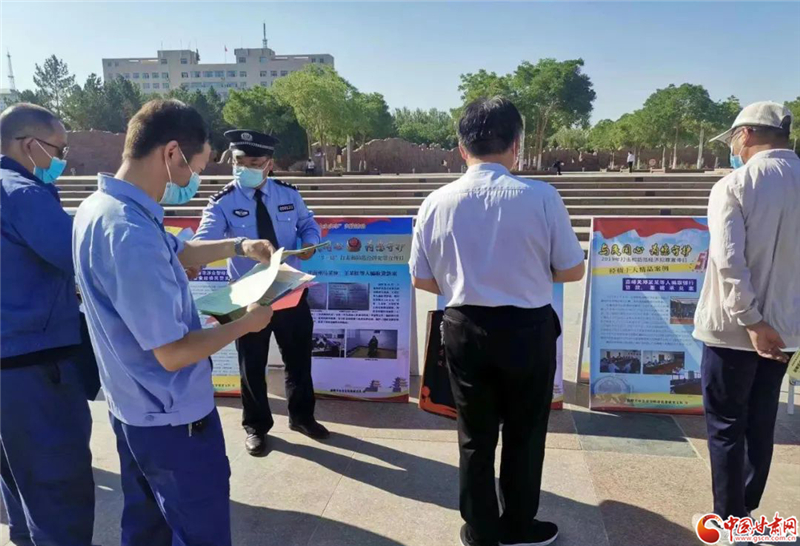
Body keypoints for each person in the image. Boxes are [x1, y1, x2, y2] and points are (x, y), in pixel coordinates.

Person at [73, 100, 276, 545]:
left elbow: (180, 251)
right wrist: (247, 323)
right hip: (173, 422)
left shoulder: (102, 208)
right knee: (200, 532)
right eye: (195, 169)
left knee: (146, 529)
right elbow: (173, 353)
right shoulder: (131, 234)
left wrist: (240, 246)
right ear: (171, 154)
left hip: (133, 410)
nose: (192, 182)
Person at [409, 97, 585, 546]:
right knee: (526, 433)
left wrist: (465, 278)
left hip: (464, 328)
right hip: (528, 330)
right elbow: (572, 270)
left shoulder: (435, 202)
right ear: (516, 145)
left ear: (461, 147)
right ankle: (520, 525)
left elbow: (422, 279)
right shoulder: (541, 197)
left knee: (474, 434)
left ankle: (480, 528)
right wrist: (528, 273)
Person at [693, 101, 798, 524]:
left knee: (726, 425)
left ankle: (729, 518)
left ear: (747, 134)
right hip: (785, 332)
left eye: (733, 138)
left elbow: (728, 261)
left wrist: (752, 320)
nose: (733, 147)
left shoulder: (735, 185)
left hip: (733, 331)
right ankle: (747, 506)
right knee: (761, 421)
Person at [194, 129, 329, 457]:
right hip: (249, 298)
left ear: (269, 164)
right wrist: (201, 256)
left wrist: (310, 242)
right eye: (240, 161)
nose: (245, 168)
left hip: (289, 289)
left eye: (254, 163)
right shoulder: (222, 201)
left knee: (298, 358)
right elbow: (205, 240)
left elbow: (307, 223)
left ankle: (302, 417)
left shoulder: (288, 194)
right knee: (251, 364)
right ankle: (256, 426)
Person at [0, 103, 96, 545]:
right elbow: (84, 258)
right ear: (28, 145)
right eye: (58, 150)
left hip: (11, 371)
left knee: (20, 485)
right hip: (35, 371)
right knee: (60, 496)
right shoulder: (24, 194)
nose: (62, 160)